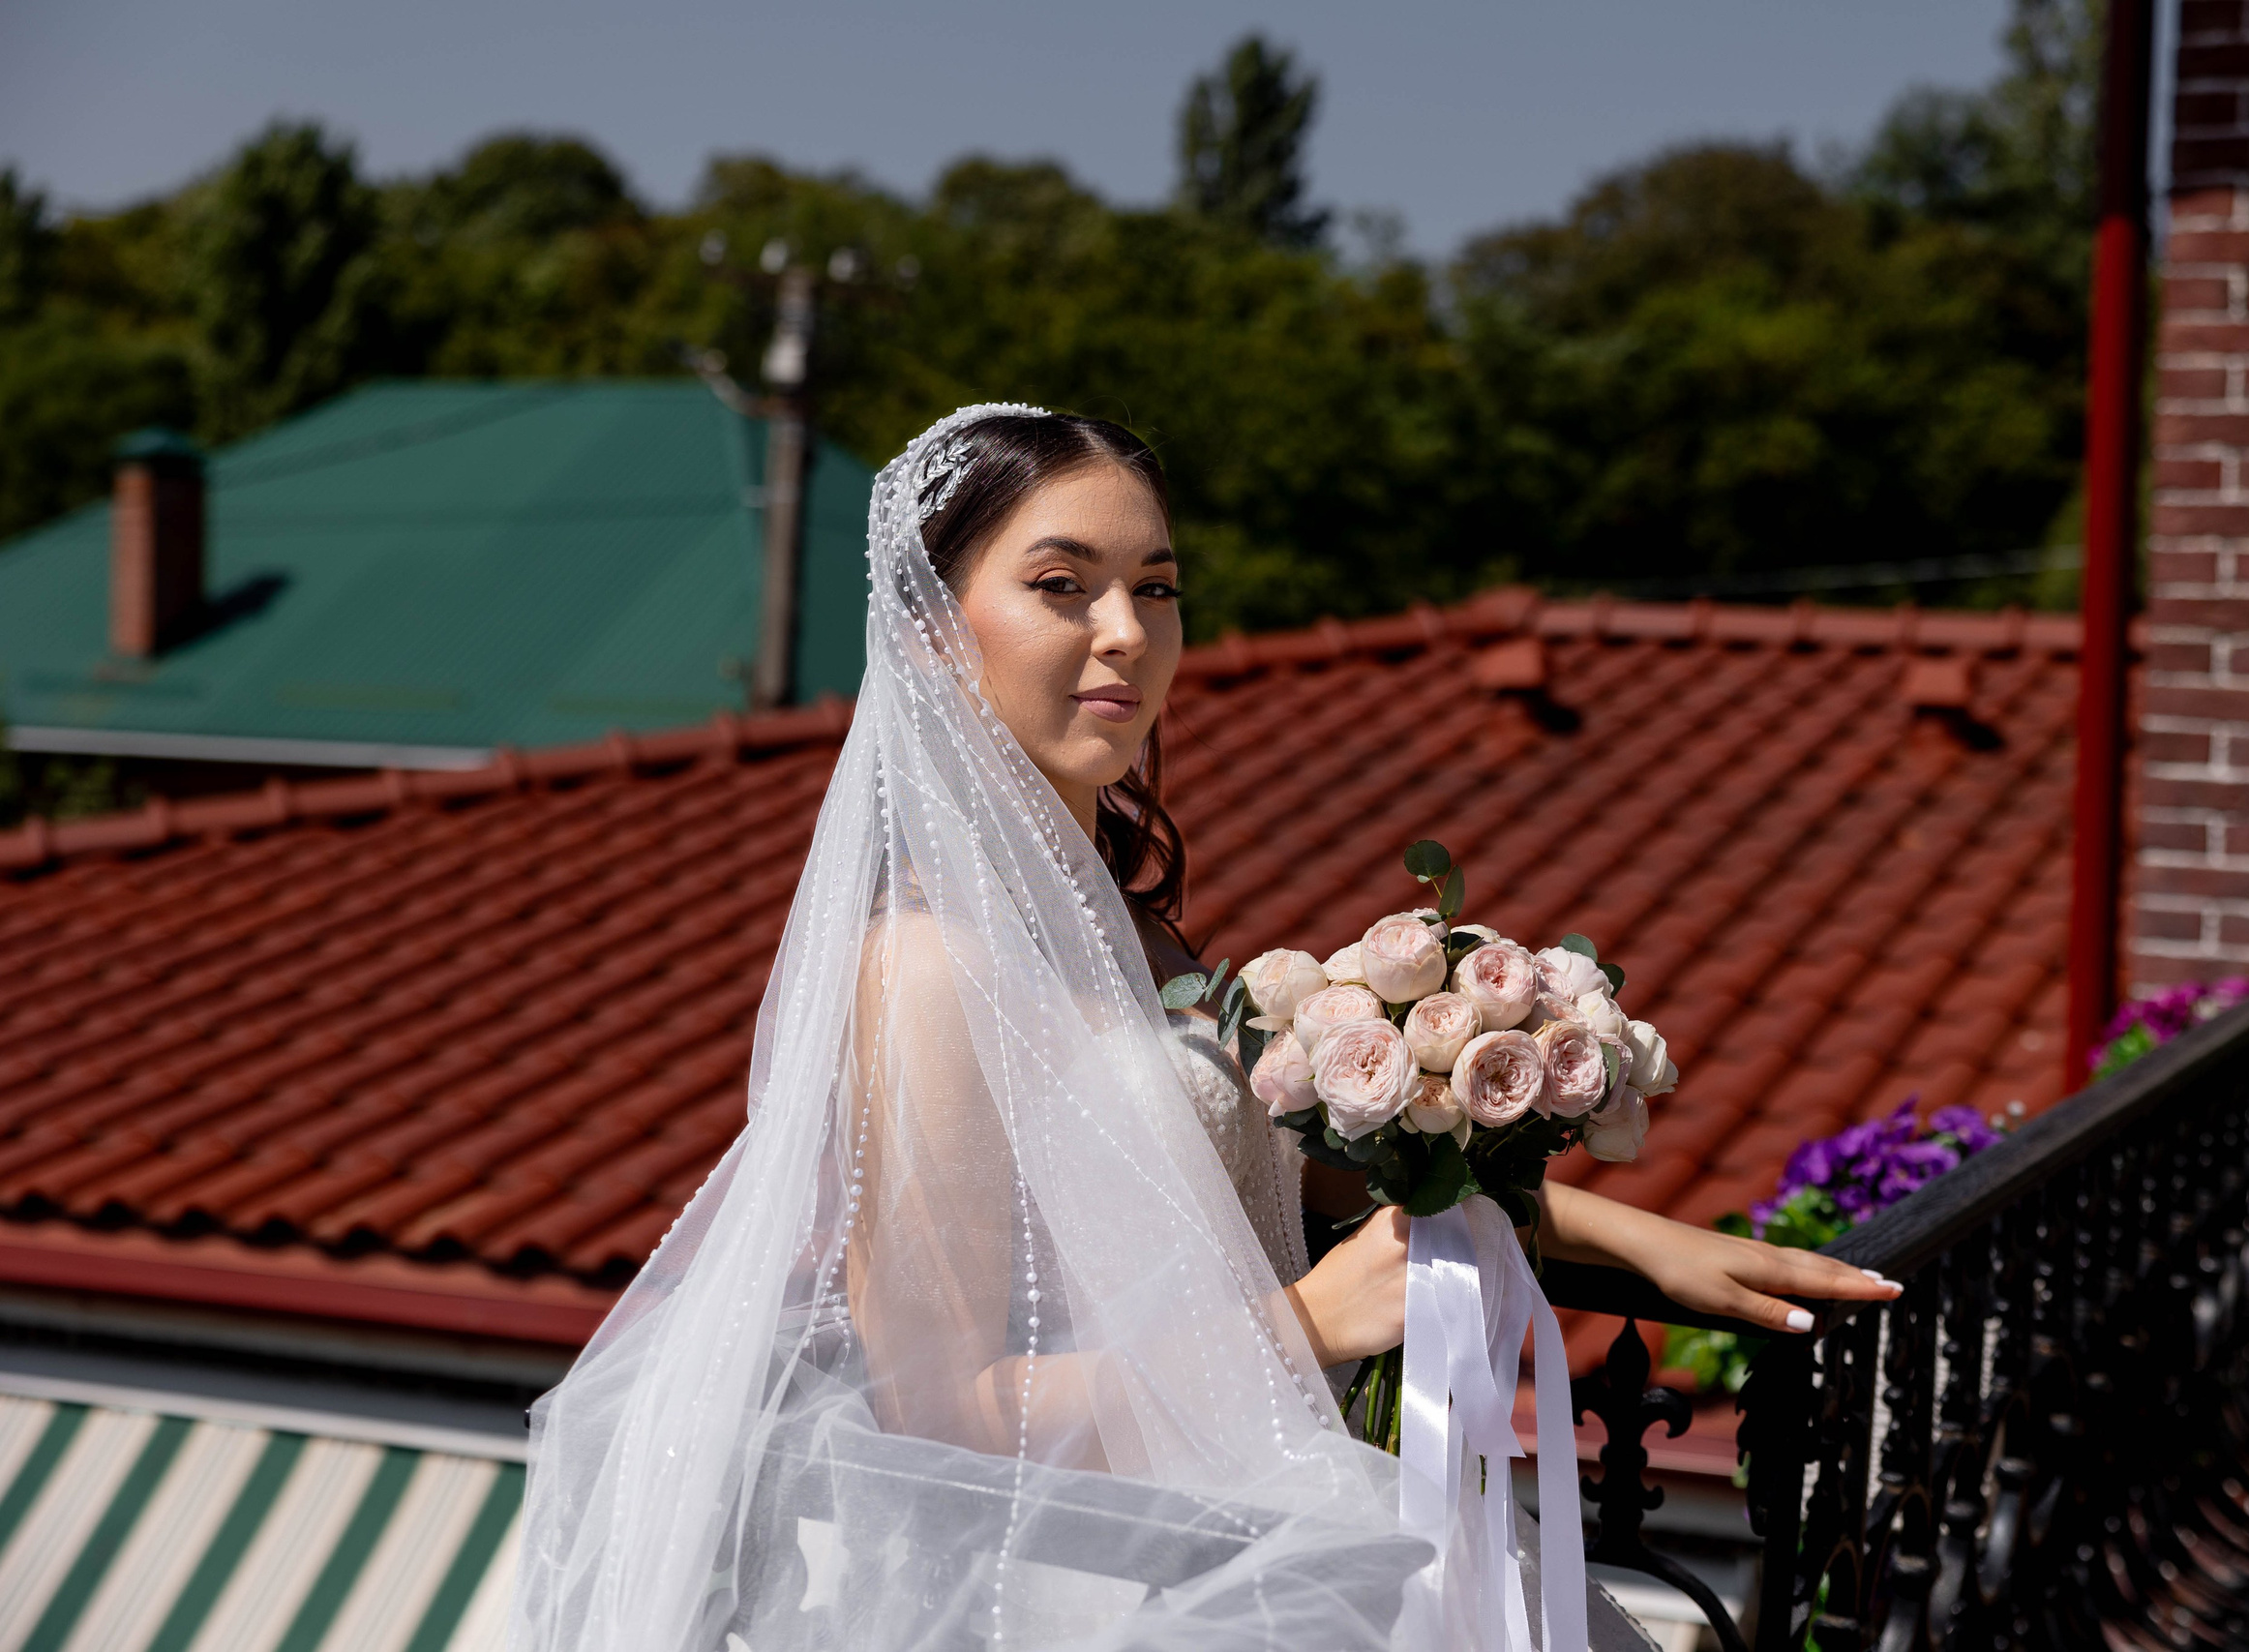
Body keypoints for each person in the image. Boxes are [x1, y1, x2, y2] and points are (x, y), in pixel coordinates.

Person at [513, 405, 1892, 1652]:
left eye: (1156, 589)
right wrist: (1301, 1321)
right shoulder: (926, 971)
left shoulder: (1140, 938)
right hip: (1120, 1585)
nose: (1128, 632)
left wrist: (1654, 1242)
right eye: (1063, 587)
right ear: (935, 628)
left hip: (1266, 1527)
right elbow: (943, 1413)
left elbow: (1315, 1178)